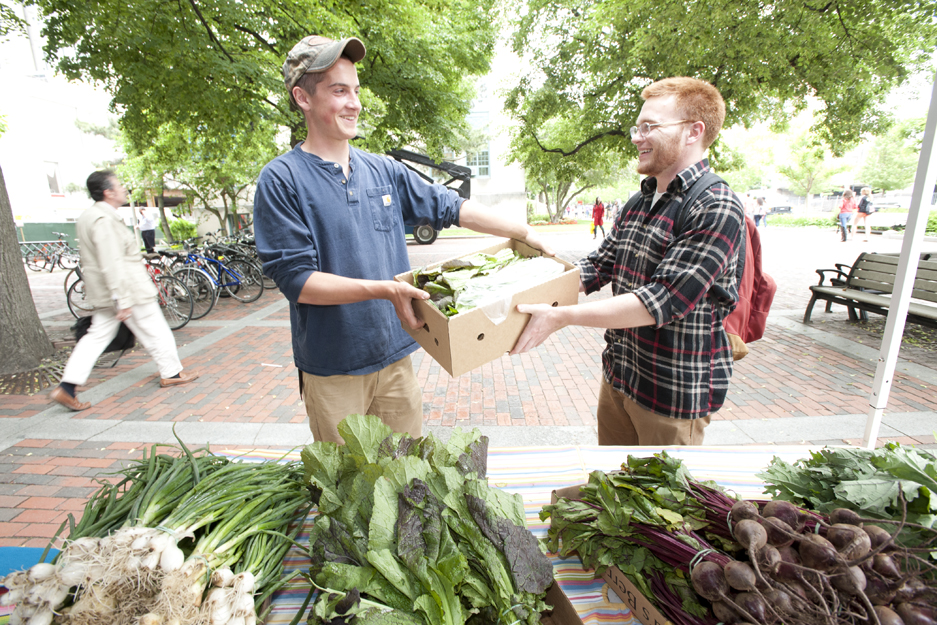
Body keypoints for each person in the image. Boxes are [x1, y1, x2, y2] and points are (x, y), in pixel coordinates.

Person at [252, 35, 552, 444]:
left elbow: (451, 206)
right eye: (339, 91)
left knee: (407, 475)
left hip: (395, 357)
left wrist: (523, 231)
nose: (354, 103)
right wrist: (384, 290)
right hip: (333, 368)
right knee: (349, 488)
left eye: (355, 90)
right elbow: (297, 281)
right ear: (302, 97)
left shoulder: (383, 170)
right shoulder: (282, 179)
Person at [511, 77, 745, 446]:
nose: (637, 137)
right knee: (612, 489)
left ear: (693, 132)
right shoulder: (639, 202)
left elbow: (662, 300)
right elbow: (597, 267)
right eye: (637, 127)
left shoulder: (715, 205)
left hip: (671, 395)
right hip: (620, 377)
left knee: (660, 501)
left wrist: (561, 316)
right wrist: (520, 284)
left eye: (650, 126)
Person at [49, 171, 198, 411]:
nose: (123, 189)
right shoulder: (104, 220)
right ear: (108, 192)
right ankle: (172, 372)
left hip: (110, 291)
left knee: (97, 336)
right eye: (119, 185)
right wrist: (122, 299)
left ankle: (67, 387)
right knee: (156, 330)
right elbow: (112, 261)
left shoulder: (91, 217)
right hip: (128, 289)